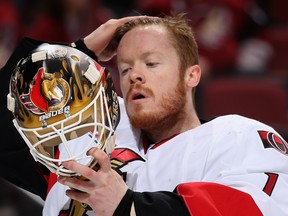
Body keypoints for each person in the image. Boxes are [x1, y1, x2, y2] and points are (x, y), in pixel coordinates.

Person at [1, 14, 288, 216]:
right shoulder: (86, 136)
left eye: (151, 63)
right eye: (124, 68)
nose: (135, 75)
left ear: (191, 75)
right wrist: (80, 51)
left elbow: (254, 208)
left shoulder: (238, 137)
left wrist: (128, 206)